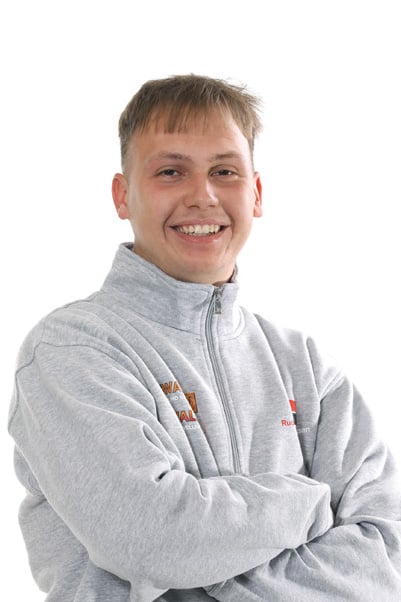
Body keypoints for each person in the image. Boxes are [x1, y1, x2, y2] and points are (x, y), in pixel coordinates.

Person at [8, 74, 401, 601]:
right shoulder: (72, 352)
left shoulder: (307, 368)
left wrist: (208, 560)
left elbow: (386, 554)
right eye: (171, 171)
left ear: (255, 193)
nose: (203, 196)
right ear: (123, 196)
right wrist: (312, 504)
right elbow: (152, 539)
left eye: (224, 171)